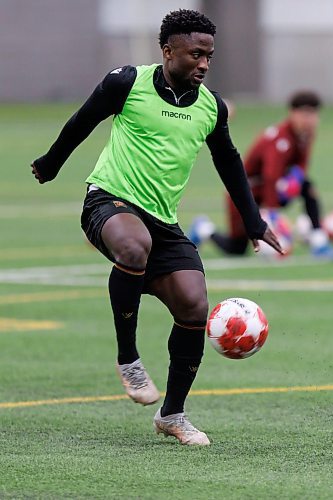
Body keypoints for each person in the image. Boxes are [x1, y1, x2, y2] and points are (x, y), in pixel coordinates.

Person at [31, 9, 282, 446]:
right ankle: (128, 358)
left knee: (194, 305)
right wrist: (52, 164)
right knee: (133, 247)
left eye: (210, 56)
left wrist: (254, 221)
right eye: (195, 54)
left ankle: (173, 415)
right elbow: (82, 122)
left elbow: (229, 162)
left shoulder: (211, 107)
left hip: (164, 221)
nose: (204, 64)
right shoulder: (126, 83)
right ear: (167, 51)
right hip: (109, 201)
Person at [189, 91, 333, 261]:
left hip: (271, 190)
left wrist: (297, 178)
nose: (310, 120)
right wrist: (272, 213)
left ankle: (319, 241)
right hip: (244, 194)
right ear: (293, 114)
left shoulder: (306, 134)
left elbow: (301, 165)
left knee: (307, 187)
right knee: (237, 248)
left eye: (313, 115)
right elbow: (270, 175)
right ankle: (203, 229)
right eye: (305, 114)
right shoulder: (280, 139)